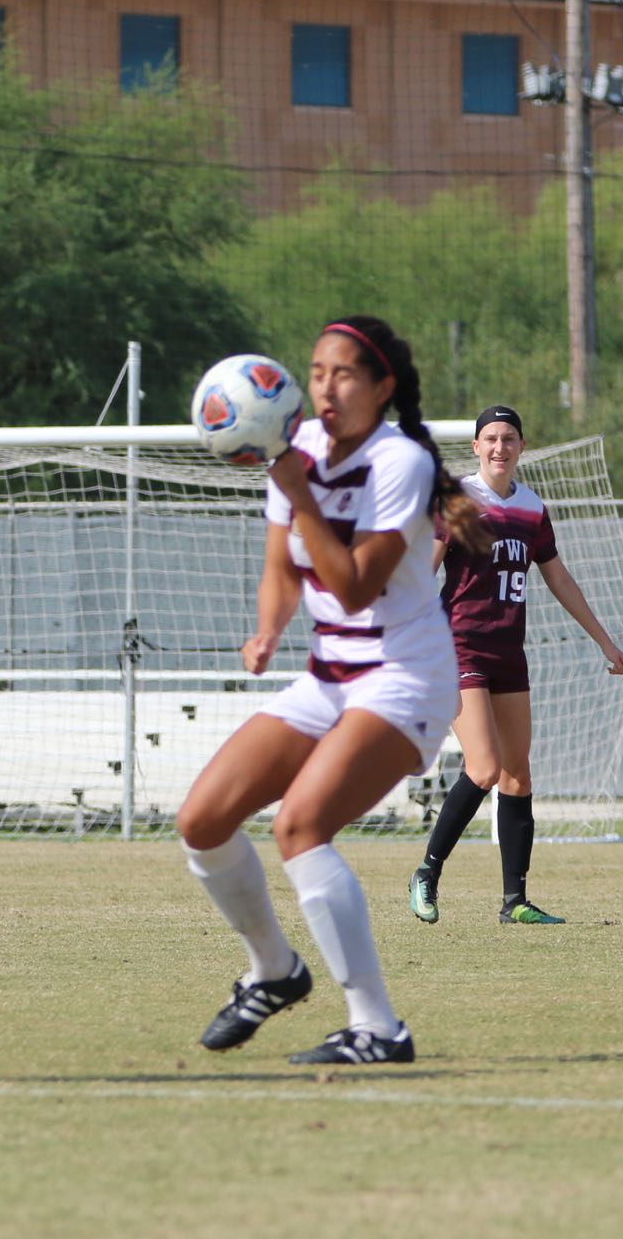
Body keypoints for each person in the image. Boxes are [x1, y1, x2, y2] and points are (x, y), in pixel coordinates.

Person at [179, 315, 482, 1066]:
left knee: (300, 826)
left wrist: (298, 493)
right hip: (328, 675)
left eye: (344, 373)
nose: (325, 387)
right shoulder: (304, 449)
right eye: (316, 372)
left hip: (405, 678)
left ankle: (378, 1027)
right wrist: (267, 629)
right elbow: (284, 565)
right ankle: (274, 971)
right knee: (203, 821)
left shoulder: (399, 463)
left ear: (382, 388)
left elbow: (352, 586)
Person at [405, 404, 623, 926]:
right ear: (476, 447)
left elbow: (559, 578)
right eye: (490, 438)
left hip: (509, 652)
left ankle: (515, 902)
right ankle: (427, 872)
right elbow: (425, 569)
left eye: (509, 438)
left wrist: (606, 642)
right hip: (458, 648)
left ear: (521, 447)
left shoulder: (532, 507)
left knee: (517, 776)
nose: (499, 446)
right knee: (483, 767)